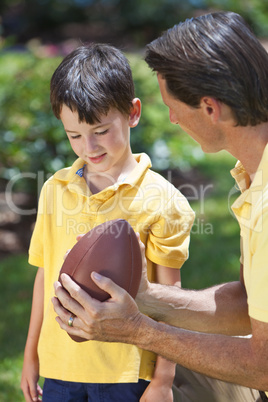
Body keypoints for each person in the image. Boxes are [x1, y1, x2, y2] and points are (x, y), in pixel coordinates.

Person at [52, 11, 268, 402]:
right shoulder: (254, 175)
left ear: (209, 108)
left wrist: (140, 330)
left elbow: (264, 365)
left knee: (148, 372)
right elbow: (248, 304)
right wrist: (146, 297)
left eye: (172, 106)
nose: (169, 118)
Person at [21, 43, 195, 402]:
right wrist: (31, 354)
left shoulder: (162, 200)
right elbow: (45, 275)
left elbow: (172, 299)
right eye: (74, 136)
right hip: (60, 367)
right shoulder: (55, 190)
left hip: (127, 372)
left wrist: (163, 380)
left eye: (100, 131)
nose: (89, 147)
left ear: (132, 113)